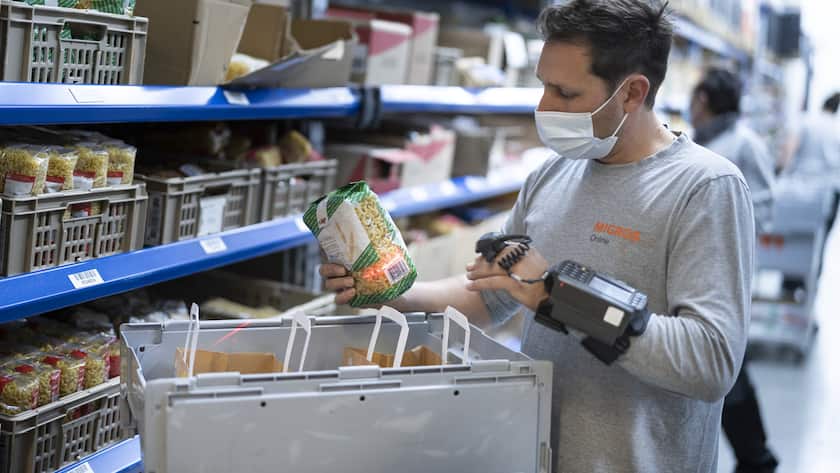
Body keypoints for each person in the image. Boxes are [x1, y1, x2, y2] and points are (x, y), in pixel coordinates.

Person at [322, 1, 755, 471]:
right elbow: (491, 297)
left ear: (631, 92)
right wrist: (393, 293)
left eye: (565, 93)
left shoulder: (706, 188)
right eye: (543, 86)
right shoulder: (553, 176)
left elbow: (711, 362)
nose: (544, 107)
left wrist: (557, 296)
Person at [690, 67, 779, 473]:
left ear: (704, 99)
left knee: (729, 368)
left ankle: (755, 456)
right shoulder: (697, 141)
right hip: (693, 270)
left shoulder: (743, 144)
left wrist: (719, 227)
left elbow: (763, 206)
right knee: (721, 367)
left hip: (725, 271)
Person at [779, 92, 840, 178]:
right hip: (828, 185)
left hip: (800, 182)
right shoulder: (837, 129)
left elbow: (789, 148)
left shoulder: (805, 120)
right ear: (835, 110)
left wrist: (779, 169)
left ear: (823, 105)